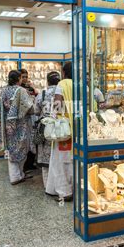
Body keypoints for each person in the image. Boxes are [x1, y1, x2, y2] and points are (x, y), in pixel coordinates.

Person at [0, 70, 34, 185]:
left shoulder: (3, 90)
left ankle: (16, 175)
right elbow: (29, 107)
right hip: (20, 125)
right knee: (22, 147)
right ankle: (17, 175)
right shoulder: (21, 91)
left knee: (12, 148)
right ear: (18, 79)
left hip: (7, 125)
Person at [46, 62, 73, 202]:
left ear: (63, 72)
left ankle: (64, 191)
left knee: (61, 161)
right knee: (73, 159)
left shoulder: (61, 85)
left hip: (64, 129)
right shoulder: (81, 85)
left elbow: (57, 105)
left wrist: (53, 119)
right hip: (78, 128)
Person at [34, 71, 60, 190]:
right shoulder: (62, 92)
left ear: (47, 81)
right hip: (60, 128)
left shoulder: (42, 94)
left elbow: (36, 110)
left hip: (45, 129)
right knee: (58, 157)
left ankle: (48, 187)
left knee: (45, 159)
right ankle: (59, 186)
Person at [20, 68, 38, 173]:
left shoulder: (29, 87)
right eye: (23, 77)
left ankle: (30, 163)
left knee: (32, 139)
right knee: (24, 141)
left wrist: (32, 88)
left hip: (31, 116)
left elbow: (36, 95)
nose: (25, 79)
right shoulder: (19, 89)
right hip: (23, 118)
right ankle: (24, 165)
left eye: (26, 77)